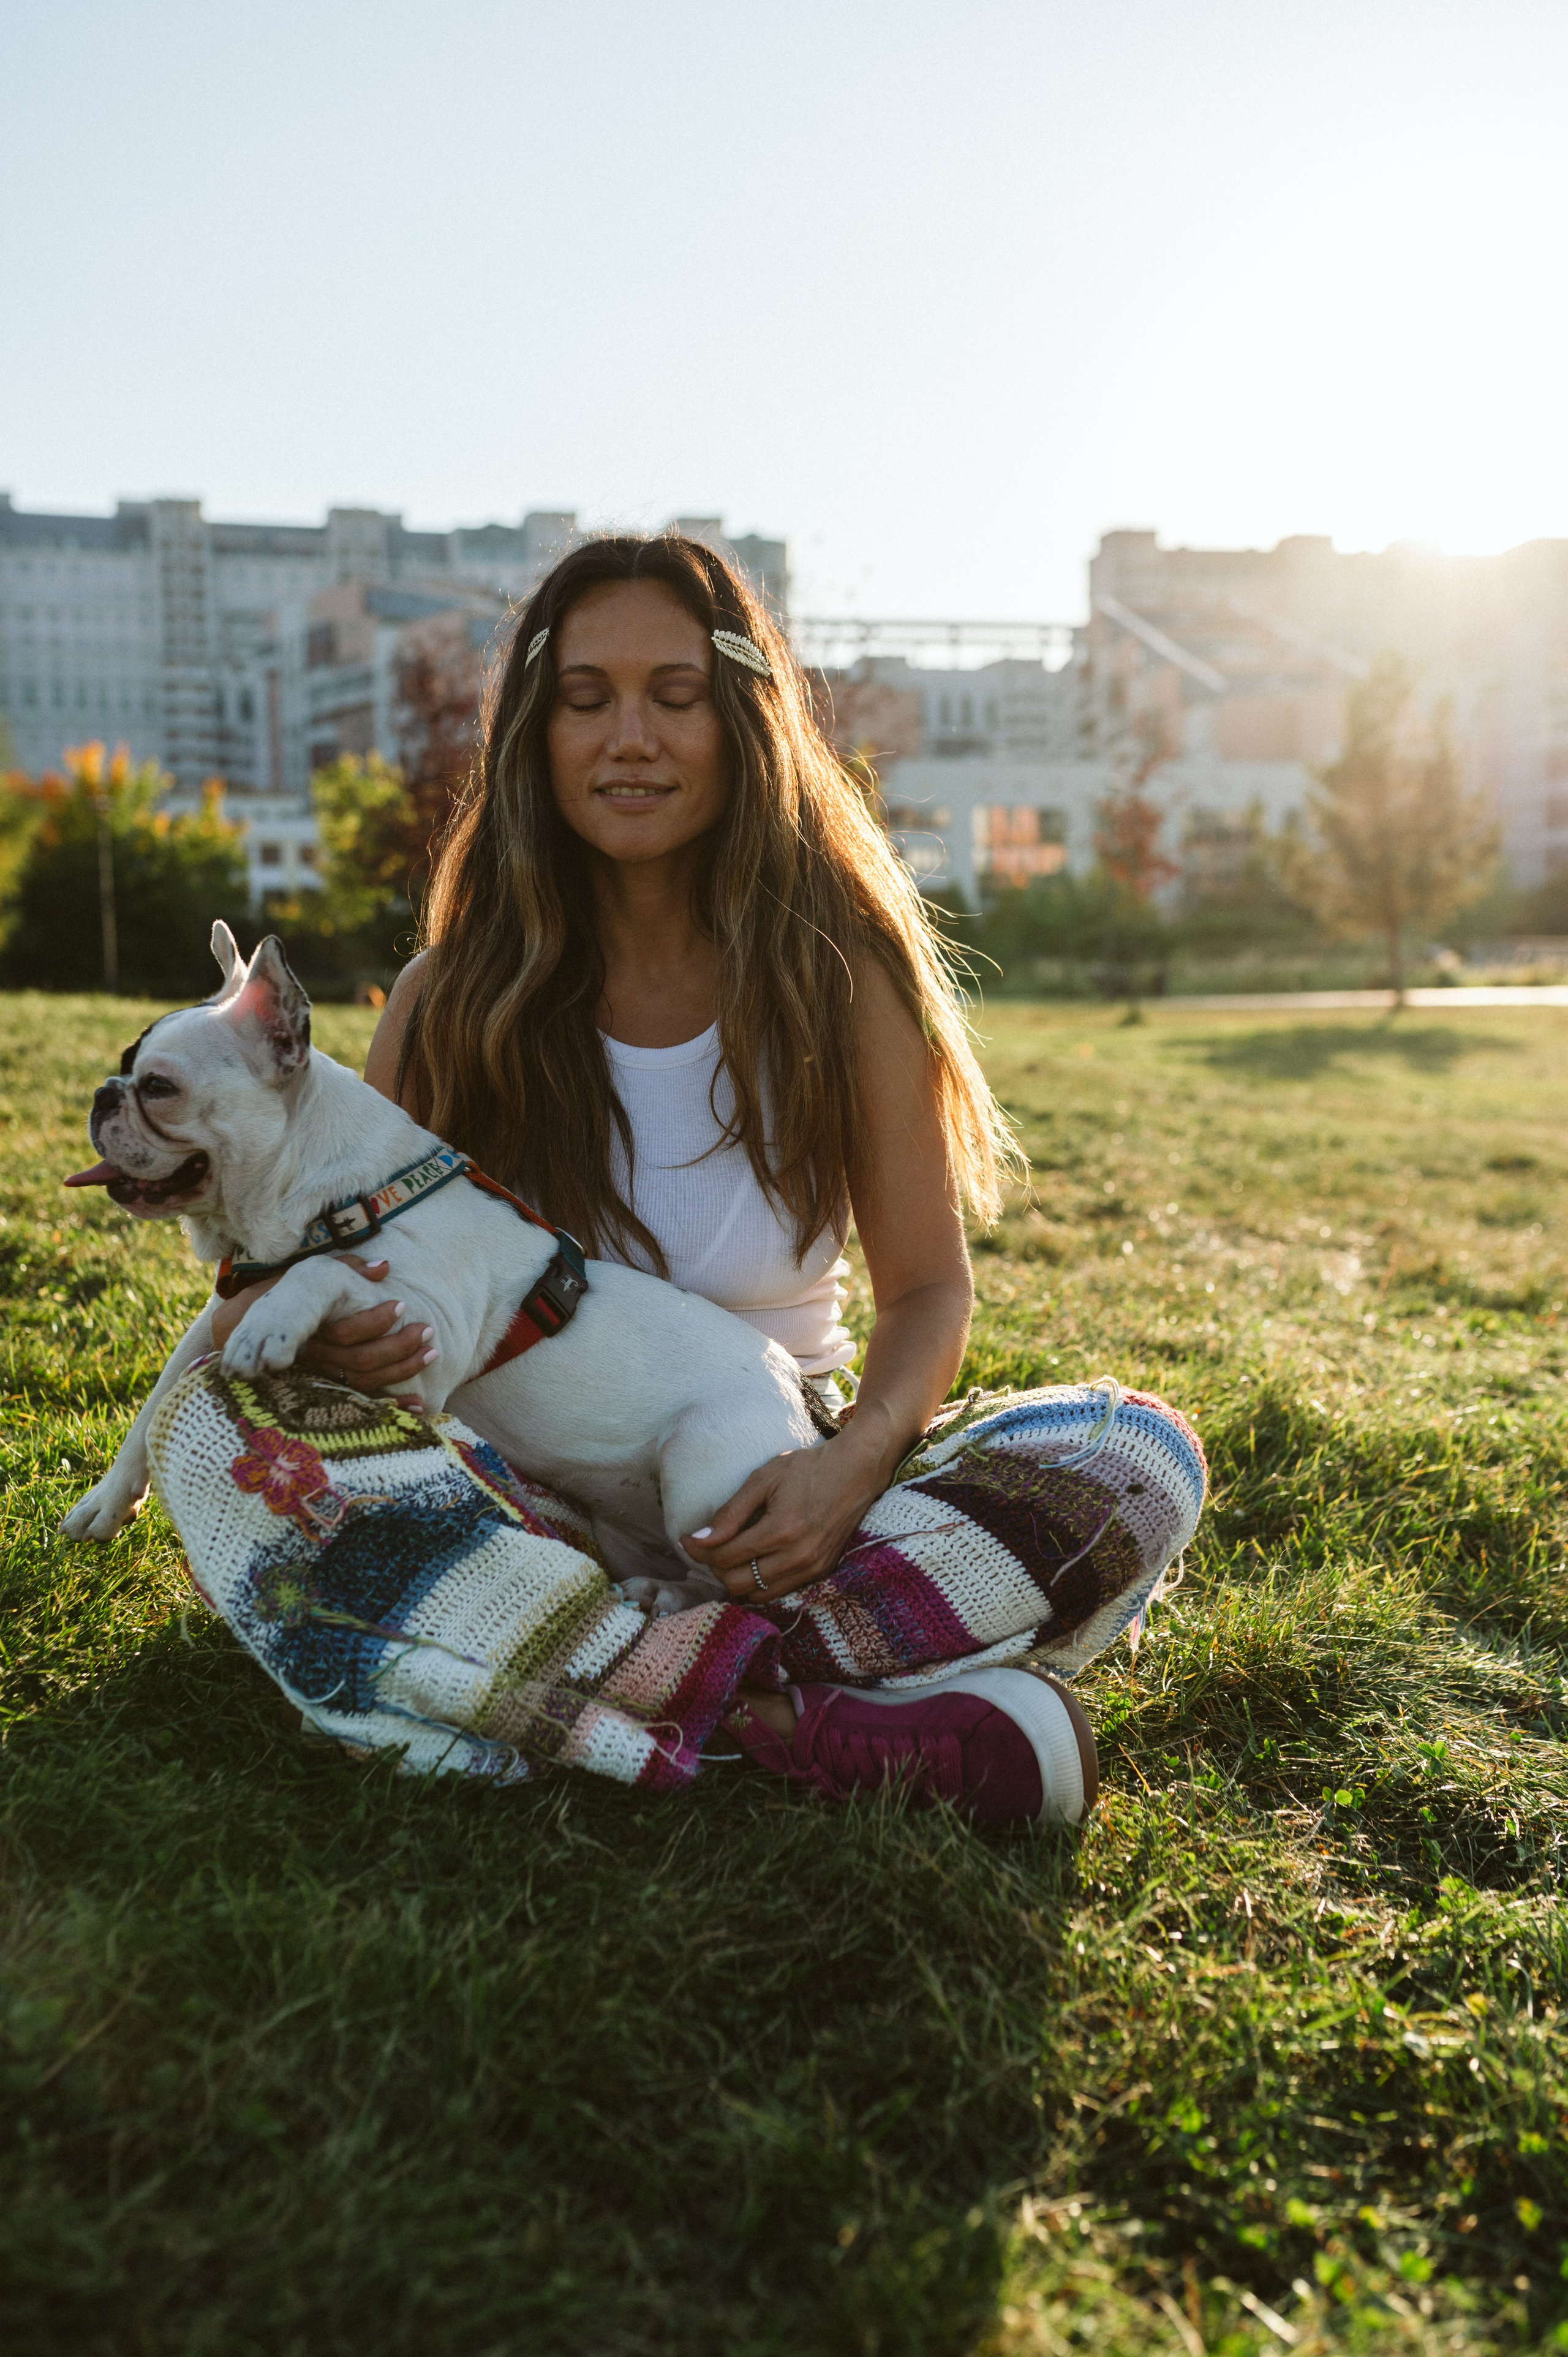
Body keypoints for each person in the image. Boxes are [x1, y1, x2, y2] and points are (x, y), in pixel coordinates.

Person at [209, 535, 1204, 1826]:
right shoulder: (445, 1000)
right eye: (586, 699)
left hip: (783, 1497)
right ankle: (785, 1713)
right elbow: (329, 1274)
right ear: (534, 733)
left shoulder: (838, 977)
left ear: (739, 721)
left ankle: (568, 1684)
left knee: (1134, 1454)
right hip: (517, 1501)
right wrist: (338, 1341)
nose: (631, 736)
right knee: (221, 1427)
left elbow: (923, 1294)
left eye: (674, 696)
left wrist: (846, 1469)